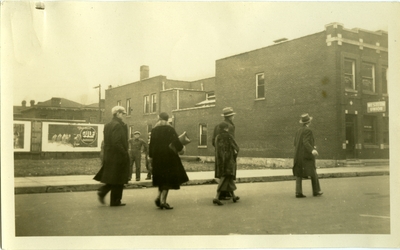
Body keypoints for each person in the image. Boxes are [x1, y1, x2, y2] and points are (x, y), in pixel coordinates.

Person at [148, 112, 189, 210]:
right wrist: (181, 148)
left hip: (157, 157)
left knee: (161, 178)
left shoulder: (154, 130)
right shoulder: (170, 129)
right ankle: (163, 201)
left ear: (159, 118)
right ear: (167, 119)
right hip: (169, 156)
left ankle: (159, 198)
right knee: (167, 179)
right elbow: (176, 142)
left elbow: (151, 144)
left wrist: (151, 156)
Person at [94, 106, 130, 206]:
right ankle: (114, 200)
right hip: (118, 155)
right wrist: (124, 153)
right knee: (119, 178)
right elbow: (117, 142)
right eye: (123, 113)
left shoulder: (108, 125)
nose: (124, 116)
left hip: (110, 155)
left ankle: (106, 194)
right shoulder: (118, 125)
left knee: (114, 177)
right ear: (118, 113)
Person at [292, 113, 323, 198]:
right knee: (313, 171)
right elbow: (306, 142)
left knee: (299, 173)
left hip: (298, 155)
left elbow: (295, 143)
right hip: (306, 156)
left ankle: (298, 192)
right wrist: (312, 149)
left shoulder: (298, 131)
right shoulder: (308, 130)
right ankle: (316, 191)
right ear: (309, 122)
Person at [212, 122, 240, 206]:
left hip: (220, 161)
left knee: (229, 178)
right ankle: (216, 197)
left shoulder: (217, 137)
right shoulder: (229, 136)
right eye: (227, 128)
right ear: (225, 128)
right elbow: (237, 148)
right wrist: (234, 156)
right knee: (225, 178)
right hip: (228, 160)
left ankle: (233, 196)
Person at [212, 107, 236, 200]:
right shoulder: (230, 127)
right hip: (228, 154)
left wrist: (219, 150)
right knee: (228, 173)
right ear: (230, 117)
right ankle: (220, 195)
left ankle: (229, 194)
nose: (233, 117)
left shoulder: (217, 126)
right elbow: (233, 142)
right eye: (232, 116)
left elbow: (213, 141)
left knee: (223, 173)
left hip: (219, 154)